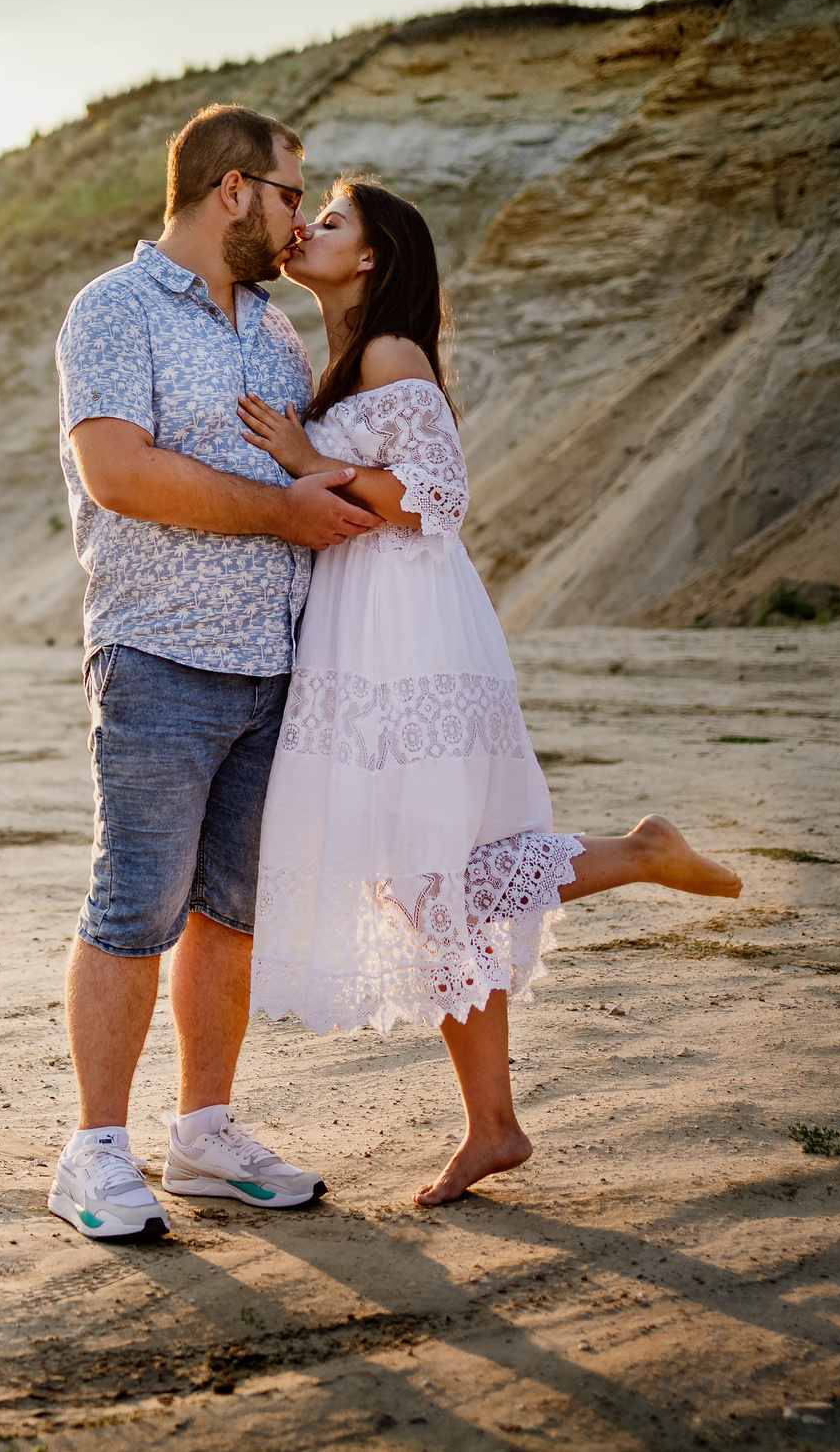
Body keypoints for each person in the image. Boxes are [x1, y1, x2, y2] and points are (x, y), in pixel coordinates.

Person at [236, 178, 743, 1206]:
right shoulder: (347, 359)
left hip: (408, 632)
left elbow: (440, 495)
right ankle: (495, 1125)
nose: (308, 229)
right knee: (428, 884)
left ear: (371, 258)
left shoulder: (390, 352)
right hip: (367, 625)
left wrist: (307, 459)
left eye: (331, 220)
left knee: (430, 876)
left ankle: (639, 856)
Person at [46, 105, 377, 1242]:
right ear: (232, 190)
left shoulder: (274, 332)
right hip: (159, 654)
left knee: (230, 914)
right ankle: (94, 1151)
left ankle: (203, 1133)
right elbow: (118, 472)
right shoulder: (114, 308)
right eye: (289, 195)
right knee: (135, 903)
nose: (298, 221)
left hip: (274, 664)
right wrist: (281, 512)